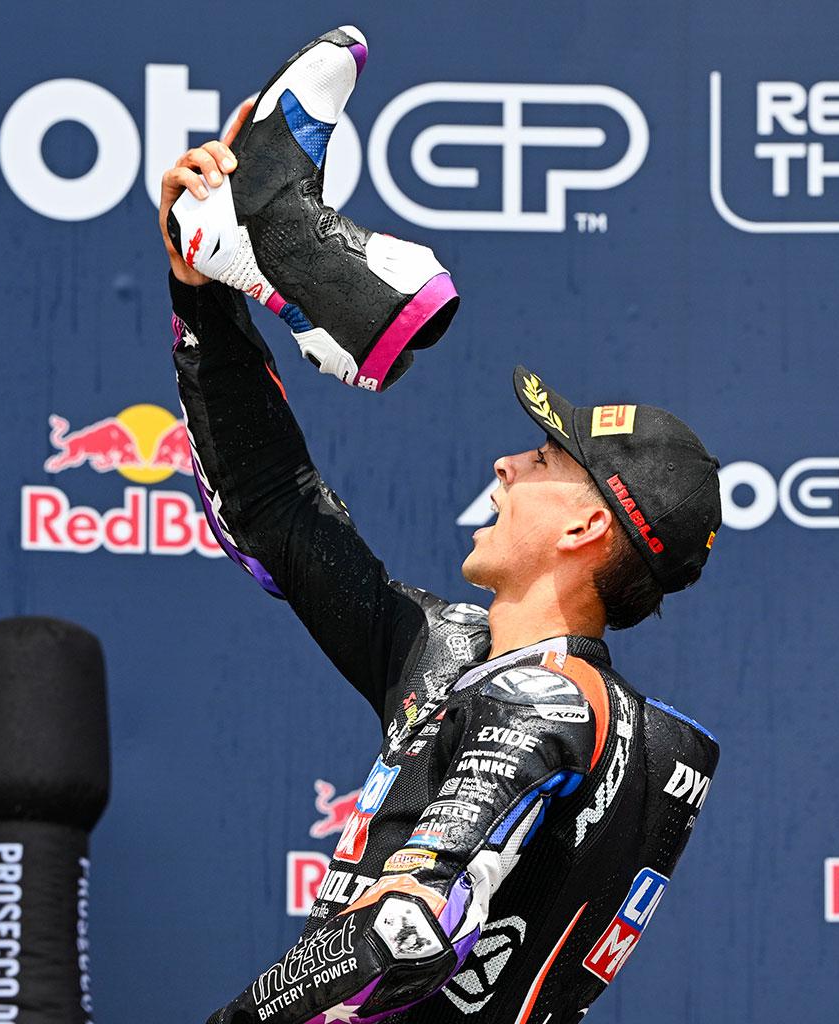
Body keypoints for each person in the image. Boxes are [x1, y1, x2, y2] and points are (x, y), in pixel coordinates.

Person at [160, 76, 723, 1024]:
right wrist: (203, 296)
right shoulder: (459, 654)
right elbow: (275, 512)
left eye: (542, 460)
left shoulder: (545, 700)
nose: (505, 464)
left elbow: (408, 932)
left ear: (587, 528)